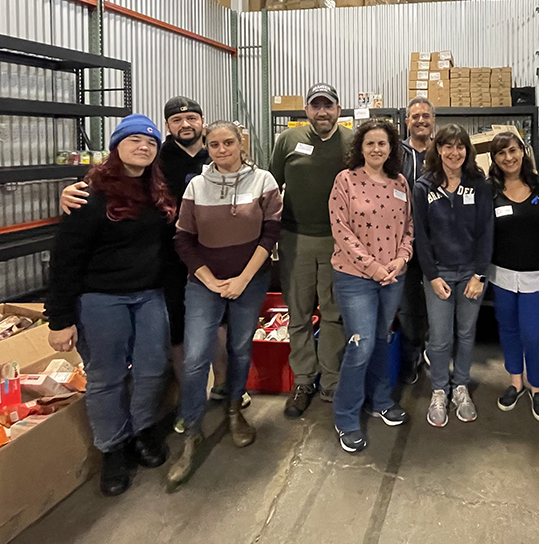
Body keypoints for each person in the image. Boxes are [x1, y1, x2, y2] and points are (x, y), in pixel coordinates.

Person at [59, 97, 250, 432]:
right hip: (168, 266)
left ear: (203, 122)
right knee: (175, 334)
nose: (185, 125)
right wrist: (71, 192)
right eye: (177, 120)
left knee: (220, 328)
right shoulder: (157, 161)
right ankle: (185, 398)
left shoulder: (217, 154)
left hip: (217, 258)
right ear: (169, 127)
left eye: (192, 118)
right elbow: (109, 184)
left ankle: (222, 388)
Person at [46, 114, 175, 496]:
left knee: (152, 368)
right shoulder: (89, 195)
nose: (143, 147)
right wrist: (60, 318)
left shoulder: (158, 192)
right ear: (116, 146)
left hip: (149, 296)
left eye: (150, 142)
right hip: (101, 300)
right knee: (106, 377)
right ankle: (112, 449)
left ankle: (141, 431)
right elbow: (65, 259)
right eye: (134, 140)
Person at [167, 121, 281, 485]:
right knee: (197, 354)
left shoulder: (263, 181)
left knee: (239, 347)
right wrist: (210, 279)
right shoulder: (196, 186)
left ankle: (234, 409)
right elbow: (183, 239)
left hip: (250, 280)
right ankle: (192, 429)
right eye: (213, 144)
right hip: (204, 283)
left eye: (228, 142)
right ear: (207, 147)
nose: (221, 149)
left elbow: (271, 233)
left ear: (240, 143)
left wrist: (243, 279)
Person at [328, 120, 413, 453]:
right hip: (355, 277)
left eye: (382, 143)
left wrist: (401, 259)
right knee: (360, 344)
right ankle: (346, 415)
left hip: (393, 276)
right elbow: (341, 230)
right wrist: (374, 268)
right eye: (370, 144)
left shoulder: (400, 182)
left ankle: (379, 400)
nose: (377, 149)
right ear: (359, 148)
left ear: (391, 148)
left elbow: (408, 229)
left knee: (381, 338)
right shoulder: (346, 181)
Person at [270, 83, 353, 418]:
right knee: (299, 313)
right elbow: (272, 185)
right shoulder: (287, 141)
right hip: (296, 239)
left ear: (338, 109)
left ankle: (331, 380)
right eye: (316, 106)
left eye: (328, 106)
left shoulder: (351, 142)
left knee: (334, 313)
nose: (322, 112)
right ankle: (303, 380)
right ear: (307, 110)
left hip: (339, 241)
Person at [413, 124, 494, 427]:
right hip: (439, 274)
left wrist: (480, 274)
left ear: (467, 150)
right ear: (438, 150)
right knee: (440, 337)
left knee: (466, 333)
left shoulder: (479, 184)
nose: (454, 152)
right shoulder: (423, 187)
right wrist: (432, 275)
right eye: (447, 146)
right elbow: (420, 235)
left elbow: (487, 230)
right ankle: (438, 390)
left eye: (460, 146)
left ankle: (460, 386)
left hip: (471, 273)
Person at [487, 131, 539, 421]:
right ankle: (515, 381)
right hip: (502, 273)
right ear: (494, 159)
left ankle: (538, 386)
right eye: (501, 153)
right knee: (508, 329)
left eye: (513, 150)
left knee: (536, 333)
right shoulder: (489, 188)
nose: (508, 158)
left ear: (523, 151)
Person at [398, 96, 435, 384]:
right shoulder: (396, 153)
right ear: (407, 121)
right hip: (404, 242)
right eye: (415, 116)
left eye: (426, 115)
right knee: (409, 302)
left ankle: (436, 353)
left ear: (433, 121)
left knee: (438, 302)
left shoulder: (444, 151)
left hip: (438, 243)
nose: (420, 120)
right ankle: (412, 354)